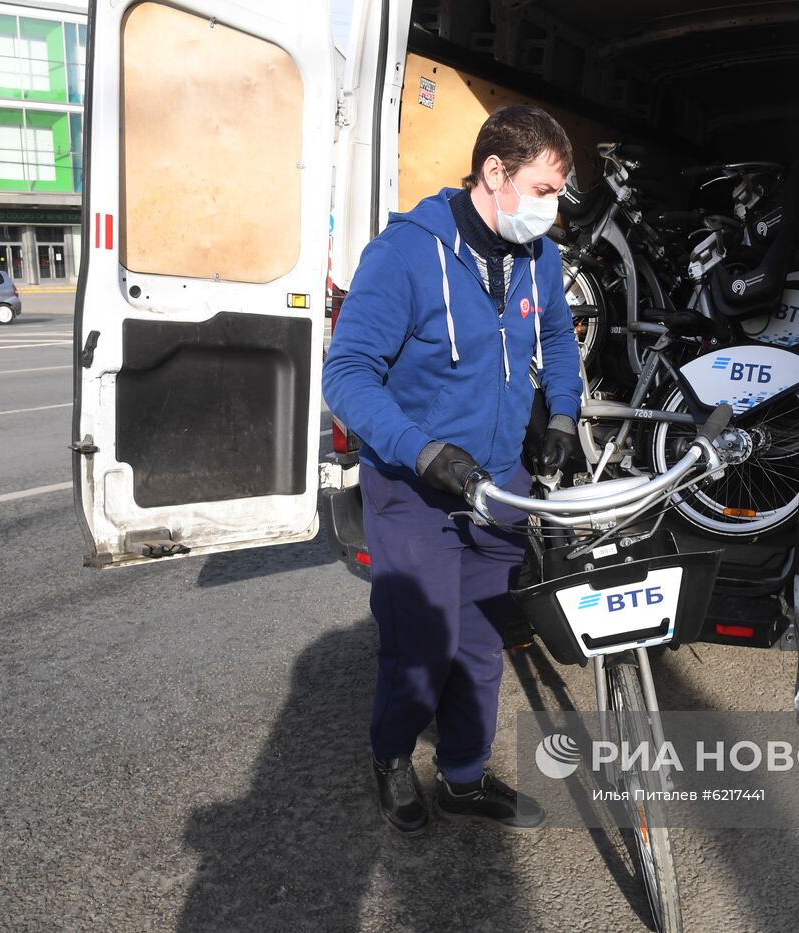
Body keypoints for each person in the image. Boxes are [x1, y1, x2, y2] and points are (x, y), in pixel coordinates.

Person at [322, 105, 583, 835]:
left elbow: (558, 339)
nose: (552, 210)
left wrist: (562, 413)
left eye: (558, 193)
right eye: (543, 190)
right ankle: (392, 754)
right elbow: (346, 375)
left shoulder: (542, 258)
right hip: (417, 486)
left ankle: (464, 776)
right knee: (423, 643)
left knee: (478, 643)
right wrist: (425, 451)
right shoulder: (406, 254)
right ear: (494, 174)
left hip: (498, 485)